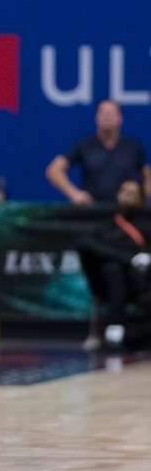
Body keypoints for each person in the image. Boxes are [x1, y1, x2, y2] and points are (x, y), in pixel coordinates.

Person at [78, 179, 151, 349]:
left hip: (141, 283)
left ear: (141, 200)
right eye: (124, 191)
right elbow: (85, 243)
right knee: (112, 268)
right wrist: (129, 258)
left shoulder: (147, 224)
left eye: (132, 194)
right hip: (109, 284)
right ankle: (114, 327)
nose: (127, 196)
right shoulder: (107, 225)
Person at [46, 99, 151, 204]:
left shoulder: (132, 146)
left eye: (111, 113)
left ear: (120, 118)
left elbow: (147, 175)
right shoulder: (85, 145)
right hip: (94, 213)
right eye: (103, 113)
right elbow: (54, 169)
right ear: (96, 117)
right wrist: (74, 193)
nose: (107, 117)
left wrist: (141, 199)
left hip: (125, 213)